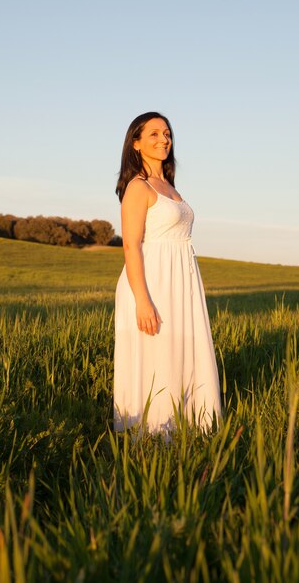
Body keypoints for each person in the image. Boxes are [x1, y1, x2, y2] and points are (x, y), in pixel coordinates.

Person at [114, 111, 221, 435]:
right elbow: (131, 246)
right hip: (153, 281)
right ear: (136, 144)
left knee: (183, 348)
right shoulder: (138, 187)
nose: (164, 140)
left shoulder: (168, 185)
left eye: (167, 134)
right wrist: (142, 301)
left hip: (181, 280)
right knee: (158, 354)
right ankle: (156, 433)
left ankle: (191, 424)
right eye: (154, 135)